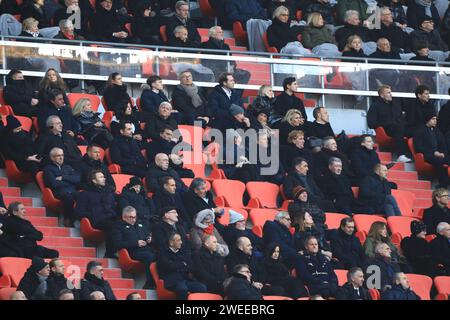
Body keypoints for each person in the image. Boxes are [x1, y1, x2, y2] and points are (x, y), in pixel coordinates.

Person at [74, 170, 117, 257]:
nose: (104, 179)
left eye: (104, 177)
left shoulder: (109, 192)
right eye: (101, 177)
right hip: (96, 220)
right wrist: (93, 215)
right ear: (94, 181)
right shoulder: (85, 194)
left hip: (110, 217)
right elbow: (78, 212)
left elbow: (114, 207)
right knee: (113, 226)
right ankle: (109, 253)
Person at [111, 206, 155, 289]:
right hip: (132, 252)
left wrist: (149, 240)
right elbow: (117, 244)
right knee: (149, 256)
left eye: (135, 217)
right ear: (124, 217)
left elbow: (146, 236)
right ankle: (150, 283)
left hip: (146, 249)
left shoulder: (140, 224)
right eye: (131, 217)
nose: (133, 219)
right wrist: (135, 243)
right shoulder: (118, 227)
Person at [367, 85, 411, 162]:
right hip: (386, 130)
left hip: (400, 127)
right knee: (398, 128)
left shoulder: (395, 104)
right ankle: (400, 155)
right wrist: (385, 124)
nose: (391, 94)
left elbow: (401, 117)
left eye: (390, 92)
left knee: (417, 131)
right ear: (381, 95)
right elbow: (371, 123)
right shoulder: (375, 106)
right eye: (388, 93)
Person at [156, 232, 207, 299]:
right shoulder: (162, 253)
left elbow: (191, 267)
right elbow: (169, 267)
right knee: (183, 289)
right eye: (178, 240)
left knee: (202, 288)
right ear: (171, 243)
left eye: (181, 240)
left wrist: (178, 265)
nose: (181, 242)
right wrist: (183, 263)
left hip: (185, 279)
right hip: (172, 281)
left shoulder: (182, 251)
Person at [43, 147, 80, 226]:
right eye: (58, 155)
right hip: (59, 192)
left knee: (86, 196)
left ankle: (75, 218)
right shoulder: (48, 169)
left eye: (62, 155)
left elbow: (77, 179)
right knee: (68, 198)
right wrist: (70, 182)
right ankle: (67, 219)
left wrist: (63, 178)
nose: (61, 157)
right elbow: (53, 184)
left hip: (72, 191)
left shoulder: (68, 167)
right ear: (52, 157)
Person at [413, 111, 450, 188]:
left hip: (438, 155)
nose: (435, 121)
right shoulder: (419, 130)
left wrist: (443, 153)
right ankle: (443, 183)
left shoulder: (437, 131)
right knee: (439, 161)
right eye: (433, 119)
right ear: (428, 119)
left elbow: (443, 144)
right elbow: (418, 147)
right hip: (427, 155)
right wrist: (434, 153)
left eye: (436, 119)